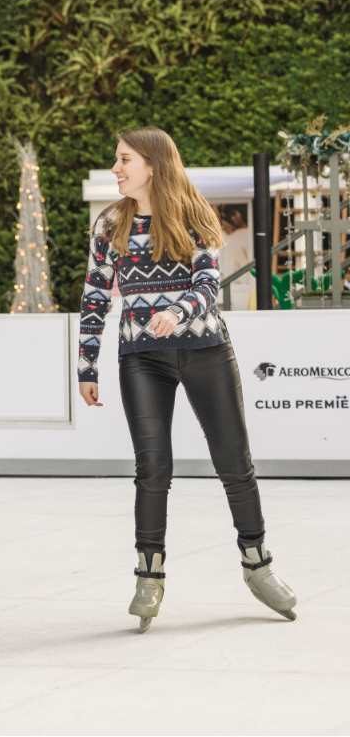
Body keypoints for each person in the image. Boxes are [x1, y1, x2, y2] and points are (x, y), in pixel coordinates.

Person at [78, 127, 297, 632]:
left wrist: (175, 314)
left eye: (124, 159)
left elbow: (206, 285)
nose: (116, 168)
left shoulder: (194, 214)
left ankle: (257, 564)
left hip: (204, 350)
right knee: (152, 466)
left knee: (233, 461)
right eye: (116, 160)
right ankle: (148, 575)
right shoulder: (110, 224)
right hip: (141, 357)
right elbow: (94, 297)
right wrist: (87, 366)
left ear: (152, 163)